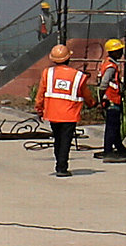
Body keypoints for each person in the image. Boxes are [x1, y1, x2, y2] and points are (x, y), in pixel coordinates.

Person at [35, 43, 87, 176]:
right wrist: (93, 103)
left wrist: (39, 109)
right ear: (68, 58)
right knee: (65, 140)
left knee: (58, 139)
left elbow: (41, 93)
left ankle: (59, 163)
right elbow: (85, 93)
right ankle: (61, 167)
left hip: (53, 113)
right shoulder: (78, 76)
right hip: (70, 114)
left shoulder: (48, 73)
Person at [100, 38, 126, 159]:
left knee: (115, 125)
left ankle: (119, 147)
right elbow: (104, 84)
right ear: (112, 52)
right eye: (119, 50)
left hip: (114, 99)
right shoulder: (110, 66)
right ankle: (108, 151)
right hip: (111, 100)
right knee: (112, 126)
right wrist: (102, 98)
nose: (121, 52)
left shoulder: (110, 63)